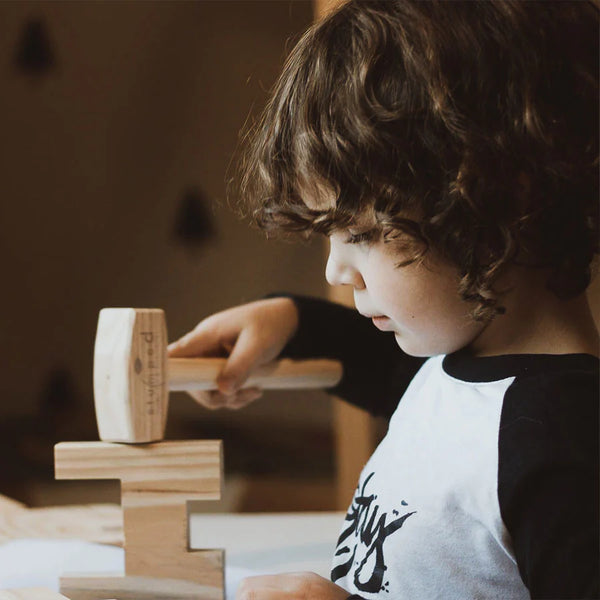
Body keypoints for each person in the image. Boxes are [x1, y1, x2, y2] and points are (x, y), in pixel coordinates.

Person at [168, 1, 599, 598]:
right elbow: (390, 373)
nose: (337, 268)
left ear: (498, 204)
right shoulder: (460, 368)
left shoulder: (564, 445)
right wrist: (290, 322)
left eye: (363, 234)